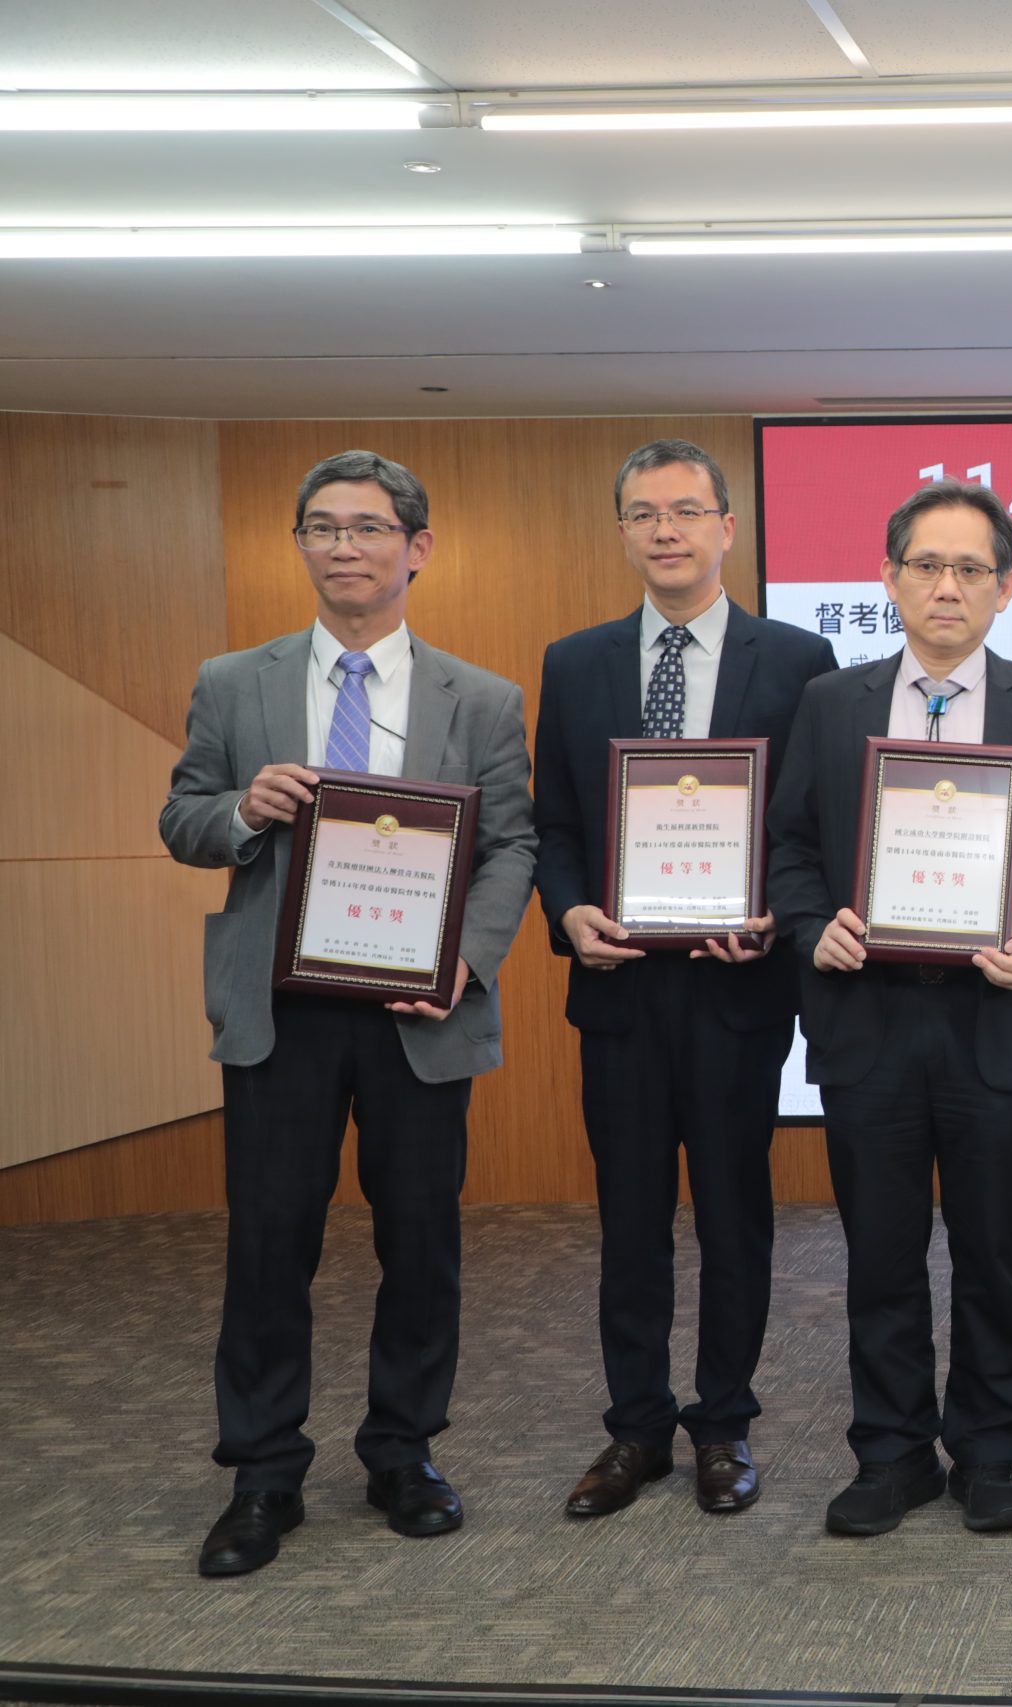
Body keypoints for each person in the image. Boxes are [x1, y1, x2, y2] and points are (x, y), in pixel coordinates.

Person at [161, 449, 536, 1576]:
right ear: (301, 546)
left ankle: (403, 1453)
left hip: (420, 1009)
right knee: (269, 1242)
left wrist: (465, 961)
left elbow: (511, 845)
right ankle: (263, 1473)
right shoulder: (237, 681)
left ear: (417, 548)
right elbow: (183, 818)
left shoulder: (483, 697)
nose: (344, 548)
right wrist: (241, 810)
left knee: (421, 1240)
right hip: (281, 1008)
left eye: (369, 528)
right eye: (322, 528)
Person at [768, 481, 1012, 1537]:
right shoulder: (832, 702)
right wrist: (812, 926)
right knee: (880, 1253)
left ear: (1007, 586)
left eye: (970, 569)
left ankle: (990, 1453)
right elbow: (789, 846)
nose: (947, 586)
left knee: (994, 1253)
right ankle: (891, 1453)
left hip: (995, 1025)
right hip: (867, 1023)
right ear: (888, 577)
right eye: (926, 565)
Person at [532, 438, 835, 1521]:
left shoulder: (796, 659)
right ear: (622, 531)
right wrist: (569, 912)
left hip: (735, 986)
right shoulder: (575, 662)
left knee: (734, 1213)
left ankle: (723, 1425)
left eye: (687, 511)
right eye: (644, 513)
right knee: (628, 1218)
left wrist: (777, 917)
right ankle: (635, 1428)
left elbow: (809, 825)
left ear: (727, 528)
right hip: (618, 987)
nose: (666, 530)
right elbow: (556, 823)